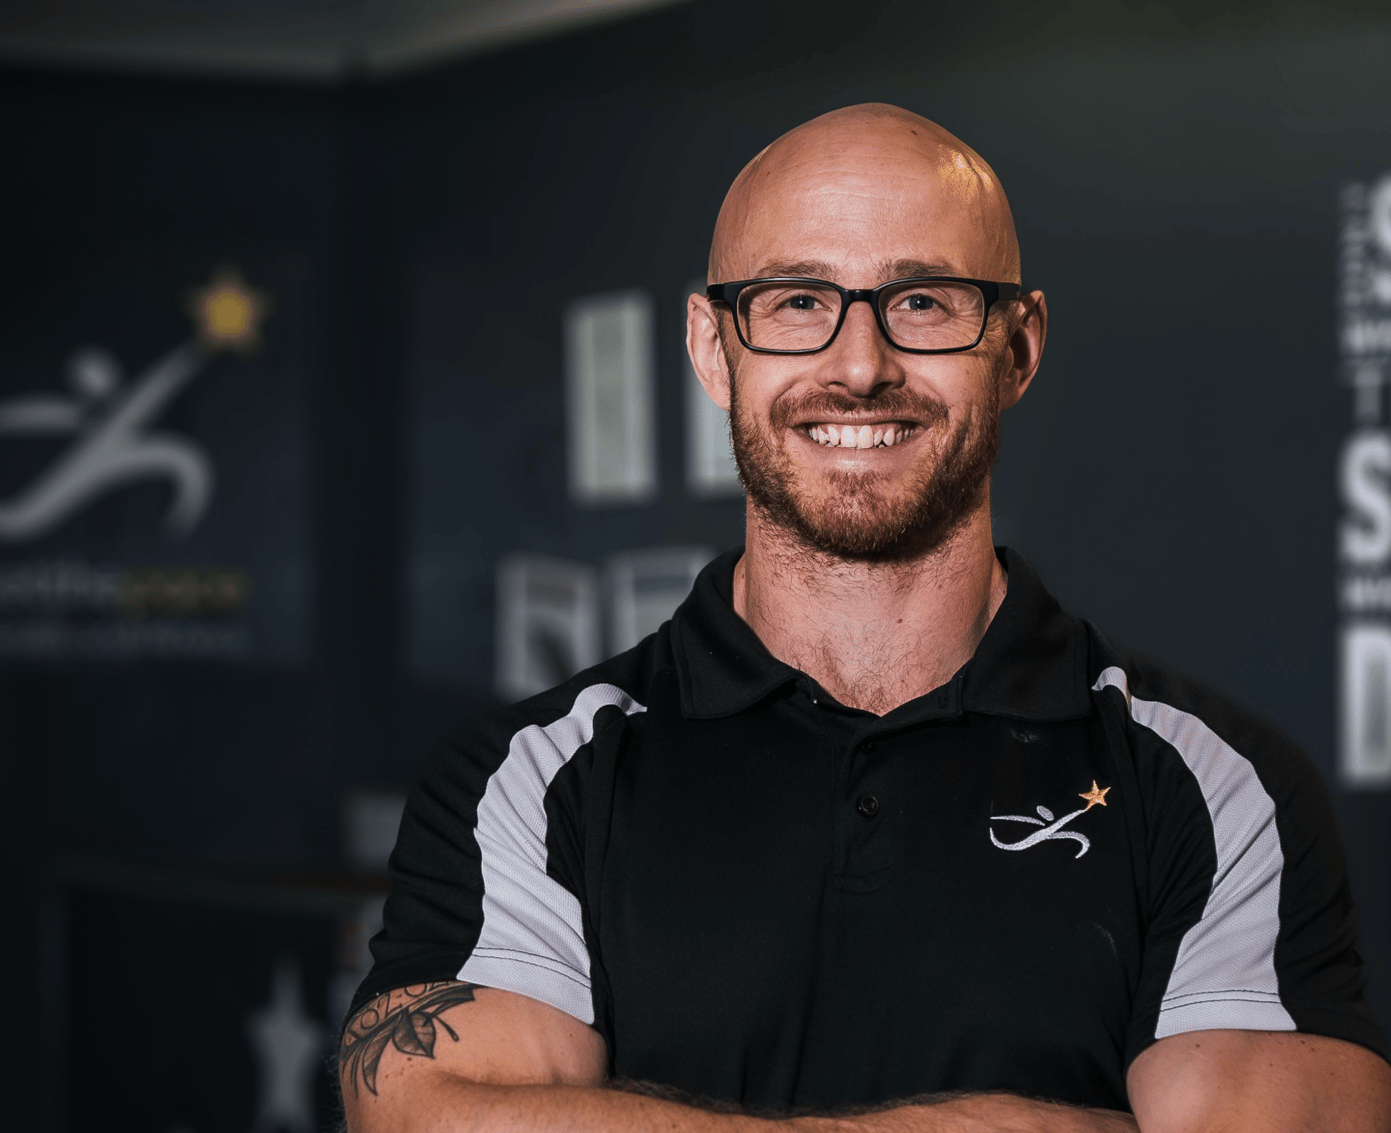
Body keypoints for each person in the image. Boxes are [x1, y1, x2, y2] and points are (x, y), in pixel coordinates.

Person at [337, 104, 1391, 1132]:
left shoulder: (1211, 785)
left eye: (924, 301)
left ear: (1018, 346)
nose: (857, 366)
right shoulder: (532, 777)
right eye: (797, 300)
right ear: (712, 348)